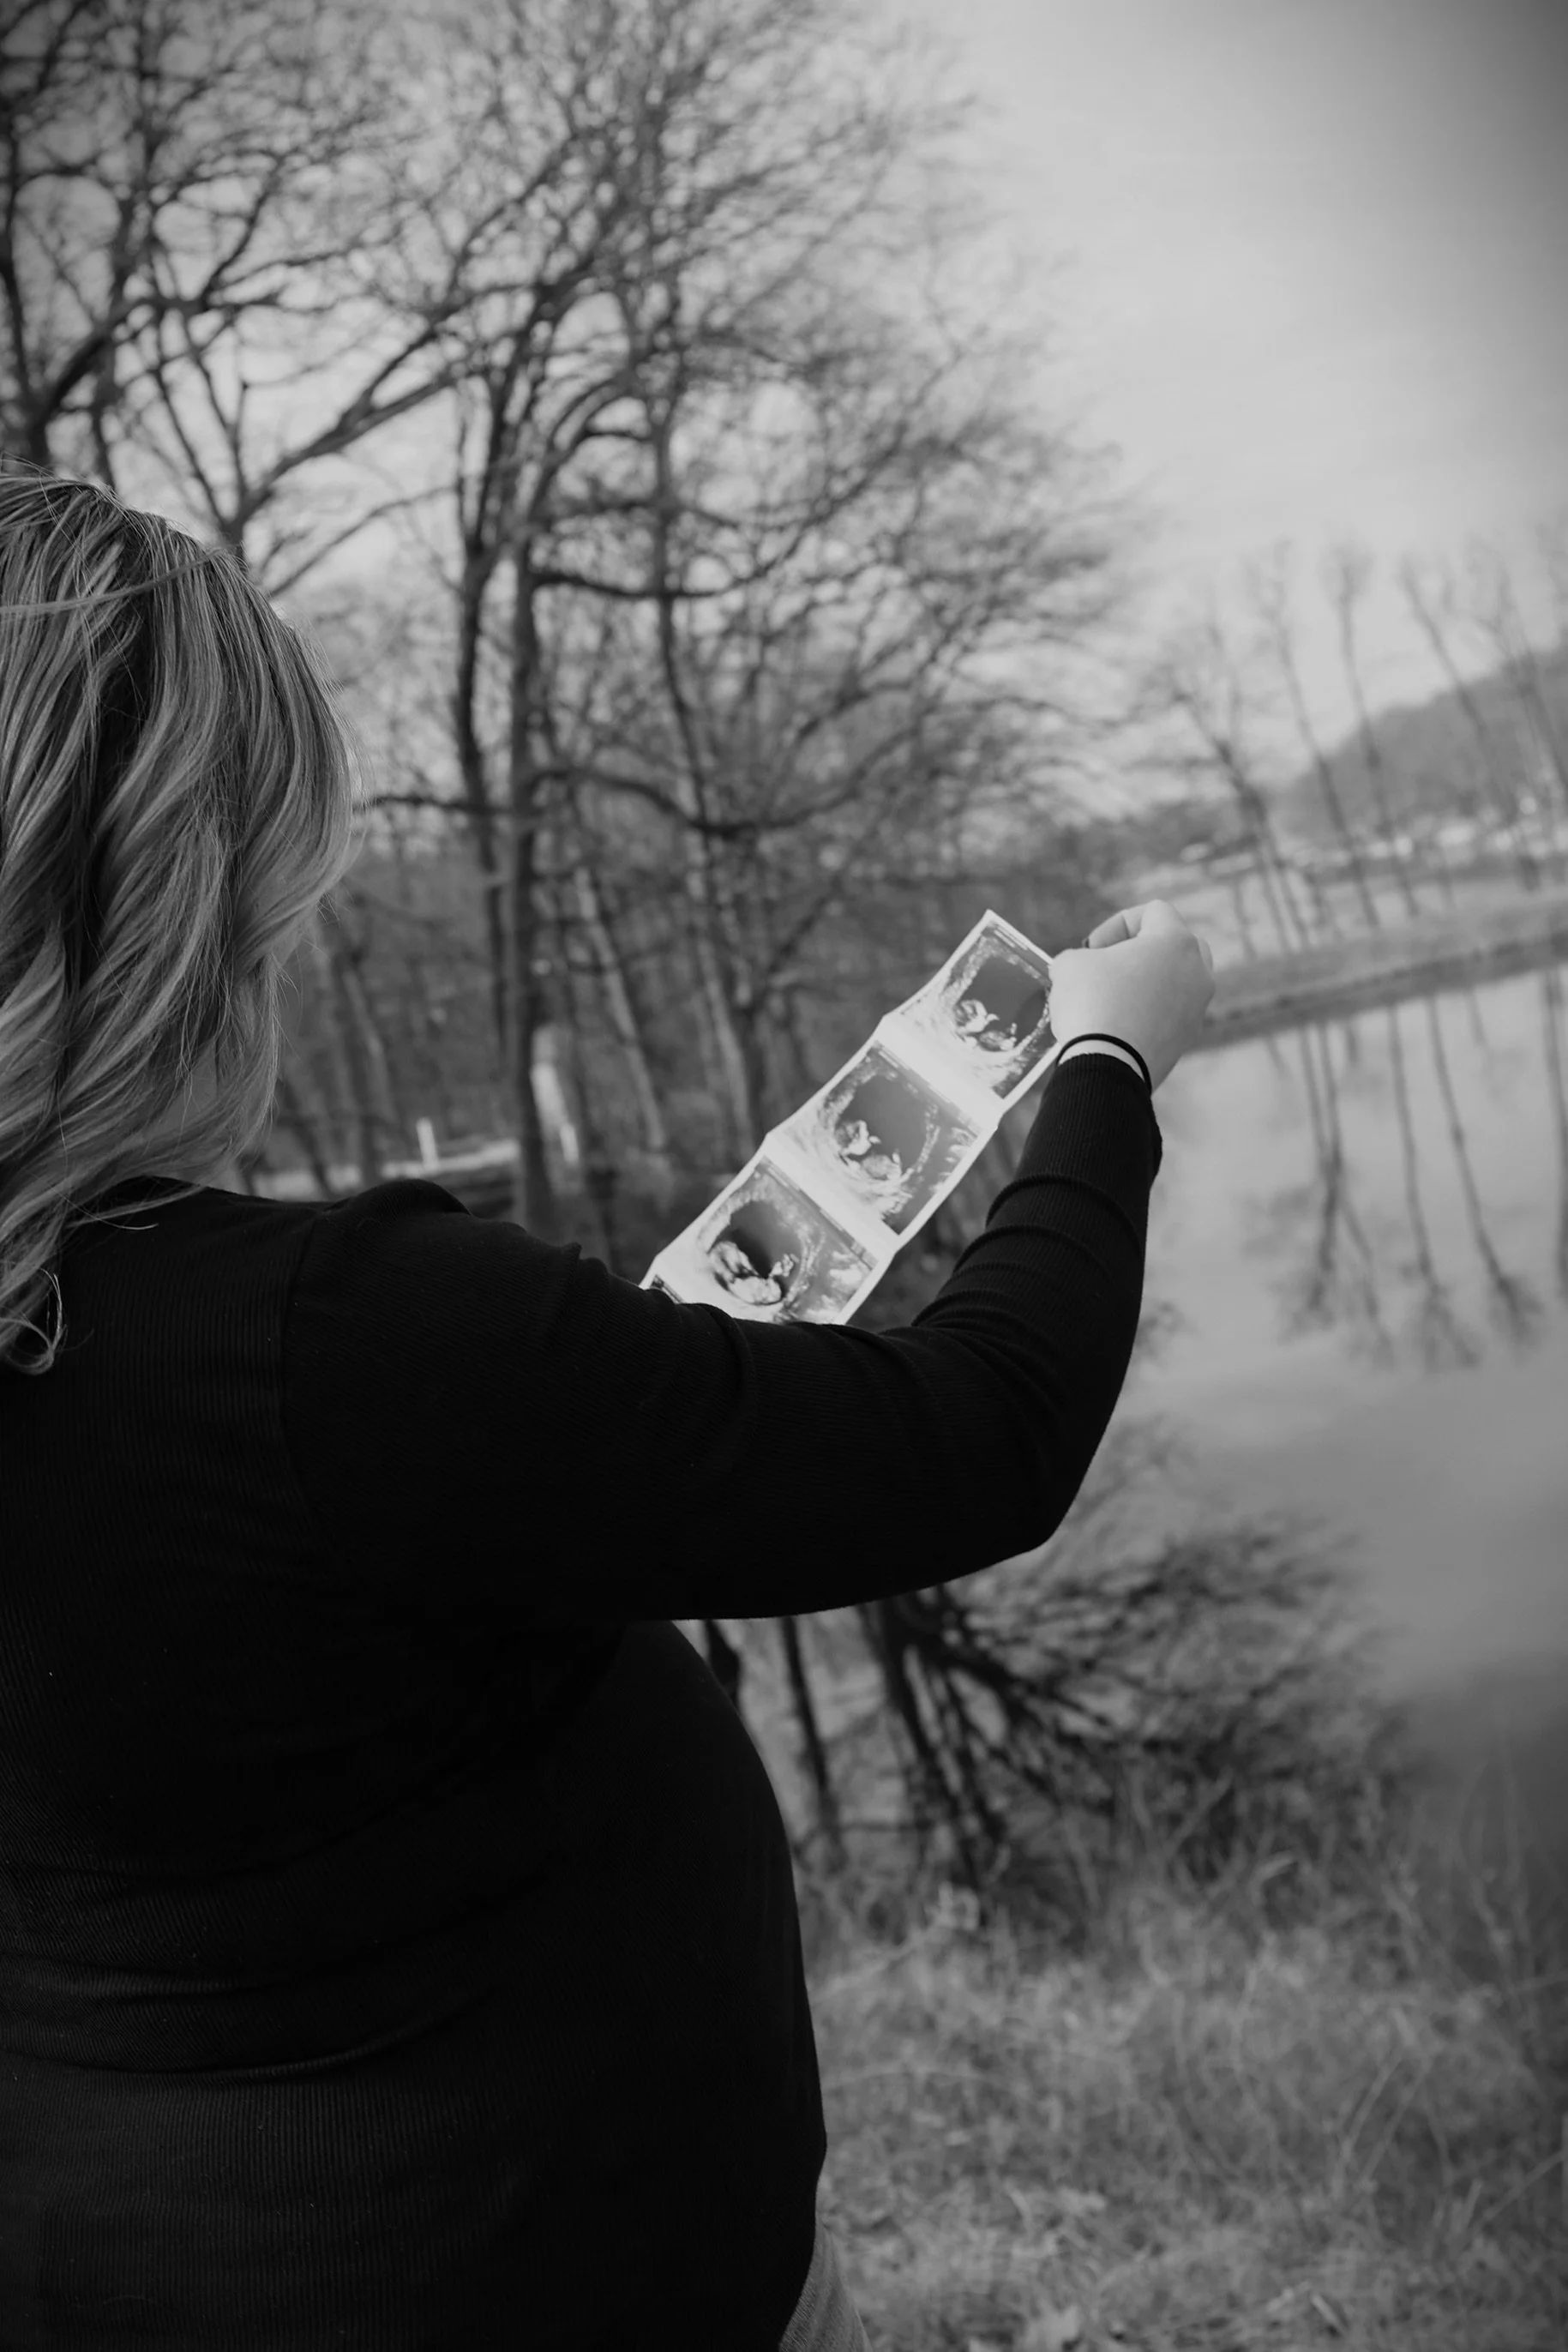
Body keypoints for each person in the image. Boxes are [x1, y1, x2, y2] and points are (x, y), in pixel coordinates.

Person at [0, 469, 1215, 2350]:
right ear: (181, 910)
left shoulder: (304, 1362)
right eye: (274, 900)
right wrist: (1108, 1059)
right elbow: (983, 1425)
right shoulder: (330, 1338)